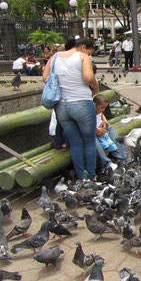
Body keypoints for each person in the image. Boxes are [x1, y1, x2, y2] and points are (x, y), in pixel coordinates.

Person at [42, 38, 99, 180]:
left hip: (61, 105)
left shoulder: (55, 57)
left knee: (75, 142)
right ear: (84, 47)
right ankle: (91, 175)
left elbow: (45, 77)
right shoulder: (82, 56)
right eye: (90, 52)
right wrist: (96, 86)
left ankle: (80, 177)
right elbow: (88, 77)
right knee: (89, 140)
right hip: (81, 102)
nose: (89, 55)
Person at [93, 94, 127, 172]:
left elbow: (102, 116)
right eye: (102, 108)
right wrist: (95, 130)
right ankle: (106, 164)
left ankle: (121, 157)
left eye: (104, 108)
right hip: (93, 131)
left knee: (110, 128)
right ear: (95, 105)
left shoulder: (98, 111)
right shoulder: (89, 111)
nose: (103, 110)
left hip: (101, 129)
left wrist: (105, 123)